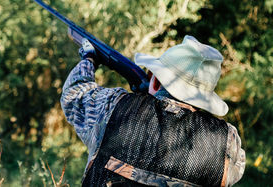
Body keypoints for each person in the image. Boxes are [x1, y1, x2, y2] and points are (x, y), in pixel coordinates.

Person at [61, 35, 245, 186]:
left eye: (151, 75)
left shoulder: (114, 105)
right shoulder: (228, 141)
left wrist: (89, 58)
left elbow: (74, 95)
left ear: (155, 81)